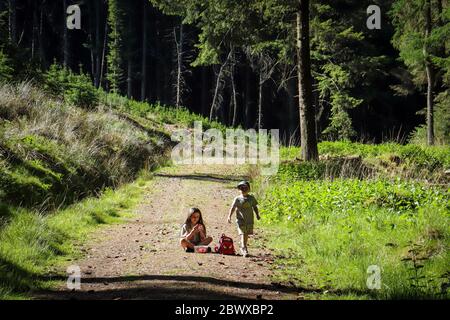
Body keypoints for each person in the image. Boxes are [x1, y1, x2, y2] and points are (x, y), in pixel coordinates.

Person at [227, 181, 260, 257]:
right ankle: (244, 248)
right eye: (242, 188)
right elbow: (233, 208)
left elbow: (255, 207)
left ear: (249, 189)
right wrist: (229, 216)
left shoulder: (251, 198)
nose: (244, 190)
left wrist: (257, 215)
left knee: (246, 233)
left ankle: (243, 245)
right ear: (239, 189)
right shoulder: (237, 199)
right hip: (240, 219)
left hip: (249, 219)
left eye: (245, 188)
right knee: (243, 232)